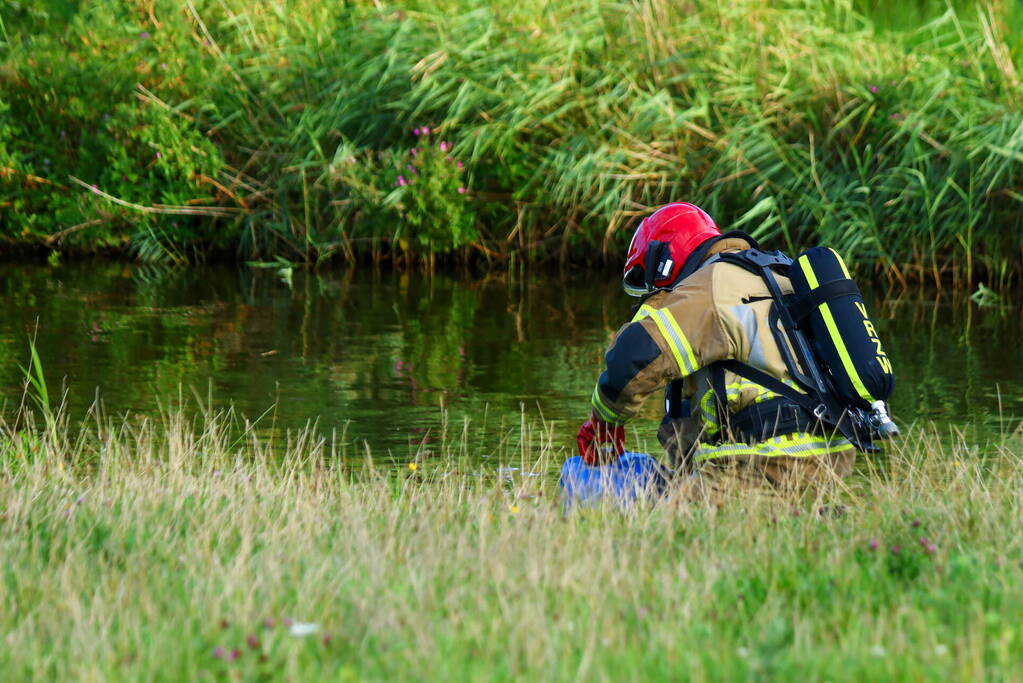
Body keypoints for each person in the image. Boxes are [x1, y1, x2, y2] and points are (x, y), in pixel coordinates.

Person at [575, 202, 858, 503]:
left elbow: (632, 361)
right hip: (833, 460)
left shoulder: (712, 283)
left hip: (763, 464)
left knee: (659, 527)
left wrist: (603, 422)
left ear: (664, 263)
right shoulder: (780, 274)